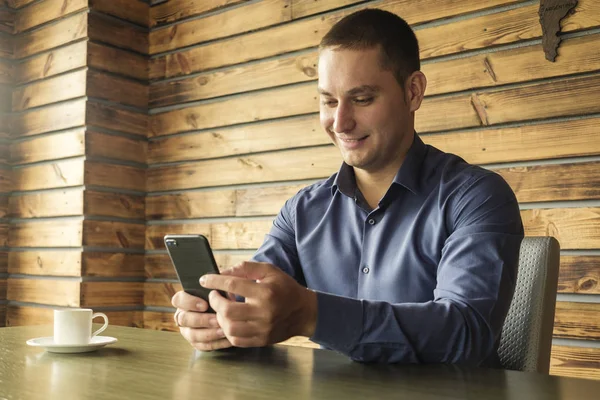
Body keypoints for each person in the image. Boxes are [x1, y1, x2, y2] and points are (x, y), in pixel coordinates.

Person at [171, 8, 524, 366]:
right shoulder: (301, 212)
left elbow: (466, 333)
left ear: (413, 92)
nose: (340, 122)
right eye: (328, 101)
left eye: (362, 99)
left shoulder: (478, 196)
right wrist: (220, 321)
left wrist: (313, 314)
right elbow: (257, 306)